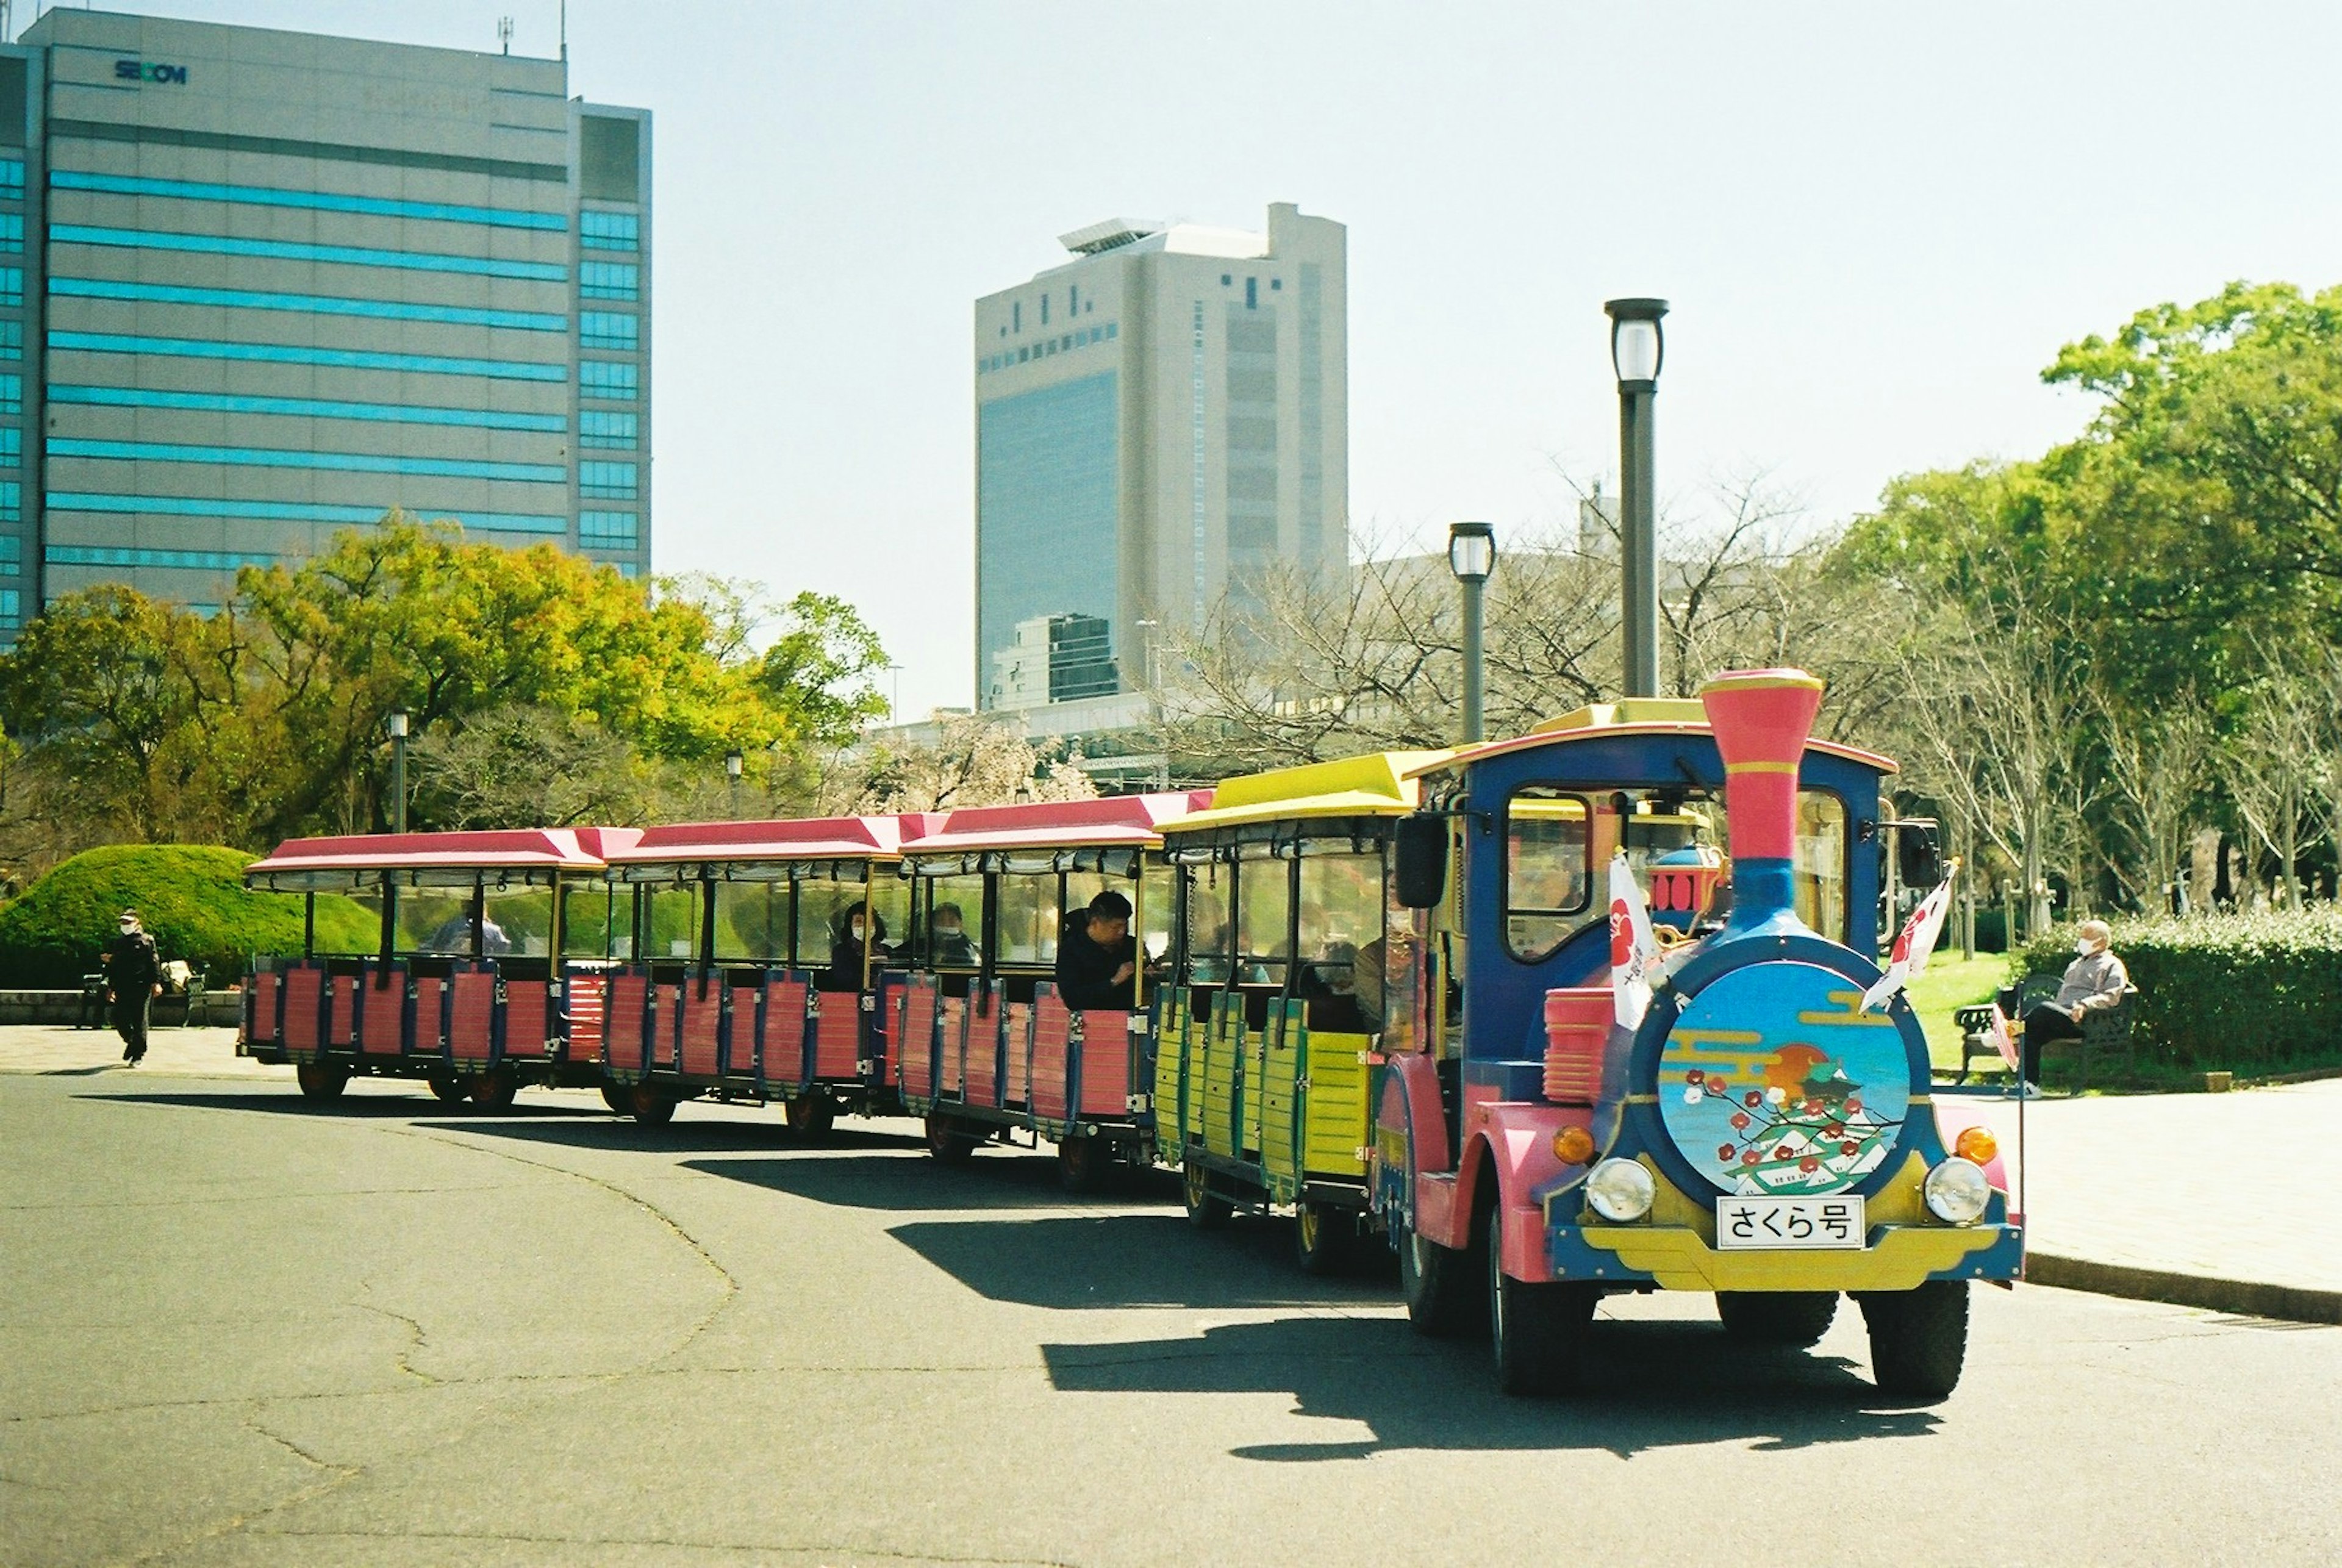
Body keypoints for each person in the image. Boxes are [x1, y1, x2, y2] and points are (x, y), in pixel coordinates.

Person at [2019, 918, 2129, 1092]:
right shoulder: (2076, 963)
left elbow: (2111, 996)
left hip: (2087, 1020)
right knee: (2031, 1034)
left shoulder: (2112, 965)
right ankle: (2030, 1086)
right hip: (2063, 1016)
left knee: (2043, 1009)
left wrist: (2085, 1005)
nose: (2082, 940)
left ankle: (2008, 1031)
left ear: (2101, 941)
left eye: (2087, 937)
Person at [1055, 890, 1137, 1011]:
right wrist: (1114, 981)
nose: (1122, 932)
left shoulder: (1130, 946)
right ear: (1095, 922)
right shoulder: (1072, 950)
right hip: (1093, 1021)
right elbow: (1073, 999)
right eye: (1115, 927)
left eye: (1125, 926)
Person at [105, 909, 162, 1067]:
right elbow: (114, 966)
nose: (125, 926)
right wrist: (111, 986)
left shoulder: (146, 941)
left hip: (141, 985)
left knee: (139, 1020)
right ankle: (132, 1042)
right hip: (123, 985)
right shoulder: (119, 943)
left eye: (128, 923)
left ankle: (138, 1054)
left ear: (137, 923)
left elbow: (154, 962)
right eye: (123, 923)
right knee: (118, 1018)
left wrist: (156, 982)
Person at [825, 901, 888, 991]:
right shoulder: (841, 951)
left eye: (870, 921)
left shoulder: (887, 950)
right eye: (859, 922)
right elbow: (844, 979)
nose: (865, 926)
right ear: (850, 925)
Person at [928, 902, 977, 967]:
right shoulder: (923, 945)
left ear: (960, 924)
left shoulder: (968, 948)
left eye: (952, 920)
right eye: (941, 920)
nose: (946, 925)